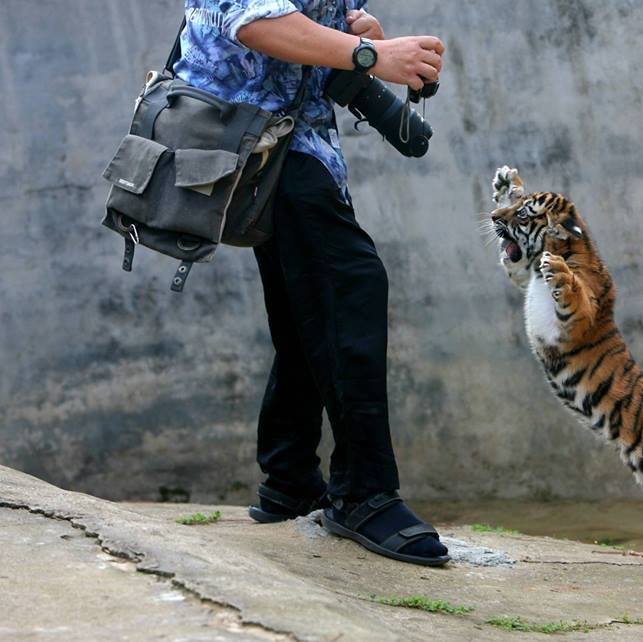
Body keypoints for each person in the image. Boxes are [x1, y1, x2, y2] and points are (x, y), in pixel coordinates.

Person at [173, 0, 449, 566]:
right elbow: (251, 19)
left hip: (292, 143)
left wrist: (357, 28)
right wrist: (372, 53)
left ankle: (290, 476)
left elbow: (328, 21)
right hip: (242, 135)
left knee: (309, 305)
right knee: (352, 284)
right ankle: (363, 494)